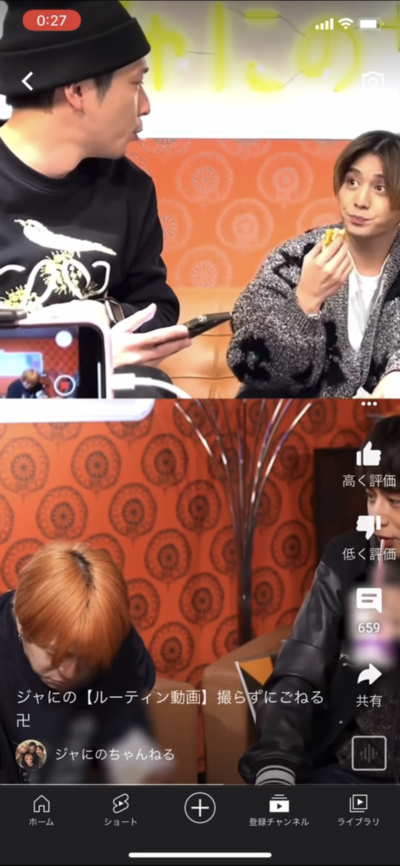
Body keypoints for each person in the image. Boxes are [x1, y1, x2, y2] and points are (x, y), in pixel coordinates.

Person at [0, 1, 192, 398]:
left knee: (153, 395)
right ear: (78, 90)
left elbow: (156, 309)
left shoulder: (129, 189)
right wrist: (74, 353)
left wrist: (102, 315)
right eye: (135, 84)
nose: (145, 106)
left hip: (100, 403)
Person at [239, 414, 400, 786]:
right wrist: (277, 760)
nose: (377, 517)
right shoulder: (347, 558)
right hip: (350, 773)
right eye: (371, 496)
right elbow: (300, 672)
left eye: (394, 501)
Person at [227, 130, 400, 399]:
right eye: (352, 182)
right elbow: (251, 364)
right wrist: (305, 301)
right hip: (293, 419)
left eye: (380, 188)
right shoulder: (295, 258)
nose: (360, 201)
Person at [0, 540, 167, 784]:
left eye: (87, 659)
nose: (68, 672)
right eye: (55, 654)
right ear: (22, 622)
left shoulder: (114, 636)